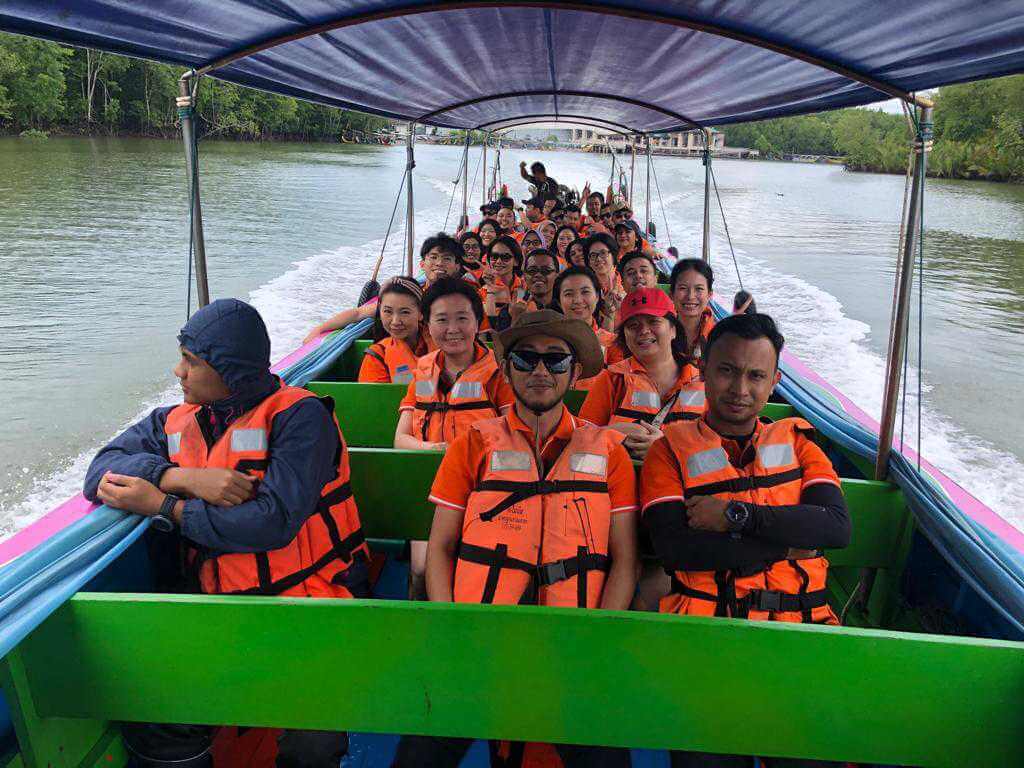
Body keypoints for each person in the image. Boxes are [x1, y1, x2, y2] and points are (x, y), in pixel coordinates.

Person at [85, 299, 364, 768]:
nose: (179, 372)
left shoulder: (301, 418)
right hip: (217, 606)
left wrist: (167, 507)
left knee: (312, 744)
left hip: (310, 603)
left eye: (191, 361)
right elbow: (100, 471)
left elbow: (272, 522)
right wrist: (180, 478)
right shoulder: (174, 421)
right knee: (158, 716)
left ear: (230, 370)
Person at [392, 309, 637, 768]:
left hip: (573, 638)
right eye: (525, 359)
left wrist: (598, 637)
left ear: (575, 373)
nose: (540, 371)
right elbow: (441, 547)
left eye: (555, 360)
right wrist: (453, 629)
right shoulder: (473, 443)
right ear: (507, 371)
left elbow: (626, 560)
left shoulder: (610, 452)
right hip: (481, 635)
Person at [640, 314, 850, 768]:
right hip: (709, 640)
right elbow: (679, 550)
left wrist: (737, 516)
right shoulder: (668, 451)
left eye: (756, 376)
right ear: (704, 369)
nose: (740, 388)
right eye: (727, 371)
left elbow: (834, 527)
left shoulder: (800, 444)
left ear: (774, 382)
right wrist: (787, 544)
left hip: (801, 637)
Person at [579, 288, 706, 461]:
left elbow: (722, 450)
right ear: (624, 336)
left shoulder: (704, 383)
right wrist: (612, 433)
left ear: (673, 330)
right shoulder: (612, 379)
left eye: (654, 321)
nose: (644, 330)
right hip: (620, 476)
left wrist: (666, 448)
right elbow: (582, 437)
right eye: (633, 325)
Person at [395, 278, 514, 452]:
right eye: (442, 320)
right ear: (428, 326)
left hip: (480, 466)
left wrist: (460, 456)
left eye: (462, 318)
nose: (452, 329)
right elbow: (400, 439)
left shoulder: (499, 372)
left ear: (477, 323)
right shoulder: (423, 373)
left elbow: (514, 436)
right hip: (430, 464)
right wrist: (433, 449)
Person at [302, 234, 460, 343]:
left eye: (447, 259)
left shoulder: (464, 299)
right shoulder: (411, 294)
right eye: (433, 257)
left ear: (457, 266)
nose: (439, 263)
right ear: (422, 264)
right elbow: (359, 313)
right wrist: (320, 329)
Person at [357, 277, 431, 384]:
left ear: (421, 313)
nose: (395, 321)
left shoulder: (443, 345)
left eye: (405, 312)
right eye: (388, 311)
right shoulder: (377, 356)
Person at [669, 259, 716, 370]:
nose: (690, 296)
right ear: (671, 294)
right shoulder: (659, 332)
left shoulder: (719, 337)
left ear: (709, 295)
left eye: (699, 289)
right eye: (683, 288)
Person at [479, 236, 526, 332]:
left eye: (505, 257)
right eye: (494, 257)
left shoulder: (524, 287)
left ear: (516, 261)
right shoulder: (483, 291)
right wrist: (491, 291)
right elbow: (488, 326)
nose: (499, 261)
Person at [585, 232, 624, 309]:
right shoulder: (585, 288)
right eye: (593, 255)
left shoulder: (626, 281)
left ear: (613, 255)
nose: (598, 259)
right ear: (589, 262)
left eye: (603, 253)